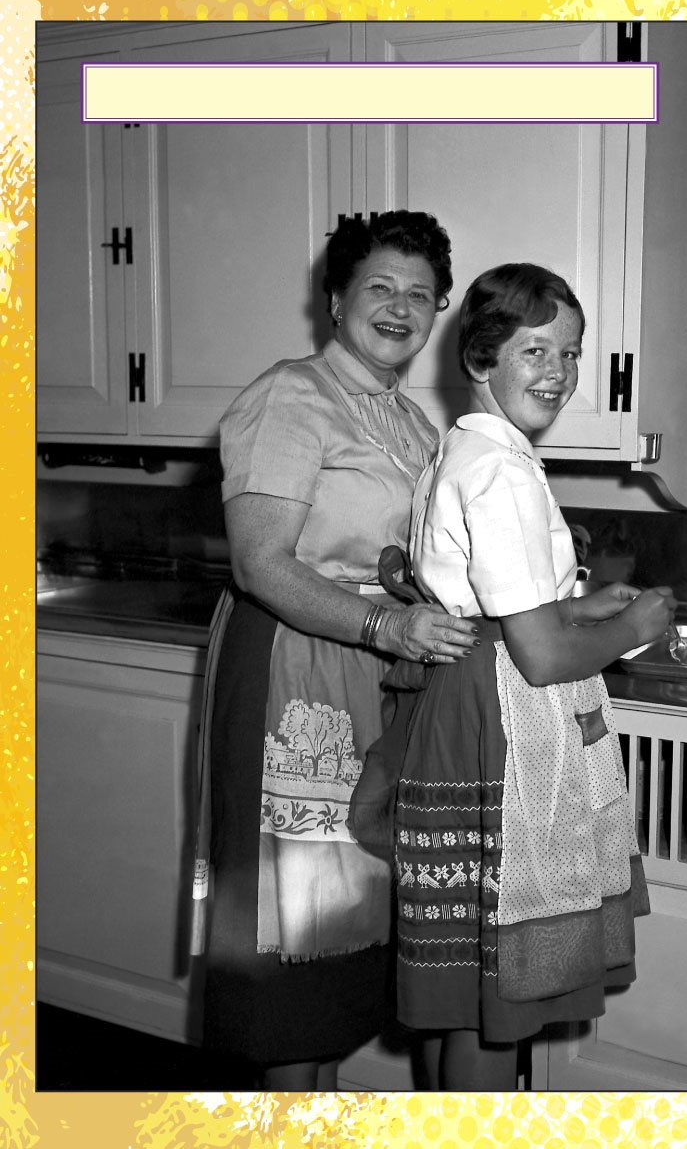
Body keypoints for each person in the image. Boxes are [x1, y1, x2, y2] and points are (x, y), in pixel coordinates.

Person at [363, 262, 676, 1090]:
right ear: (480, 359)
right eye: (535, 350)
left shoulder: (460, 449)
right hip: (500, 726)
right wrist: (630, 628)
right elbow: (534, 656)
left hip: (461, 700)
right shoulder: (503, 471)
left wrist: (577, 607)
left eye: (570, 354)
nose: (560, 373)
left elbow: (493, 607)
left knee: (461, 981)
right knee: (497, 996)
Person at [200, 210, 480, 1091]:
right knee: (297, 940)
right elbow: (261, 562)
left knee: (356, 924)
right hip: (298, 672)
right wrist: (387, 627)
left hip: (379, 675)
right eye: (380, 289)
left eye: (421, 295)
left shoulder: (410, 419)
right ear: (335, 300)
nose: (401, 308)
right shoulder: (291, 396)